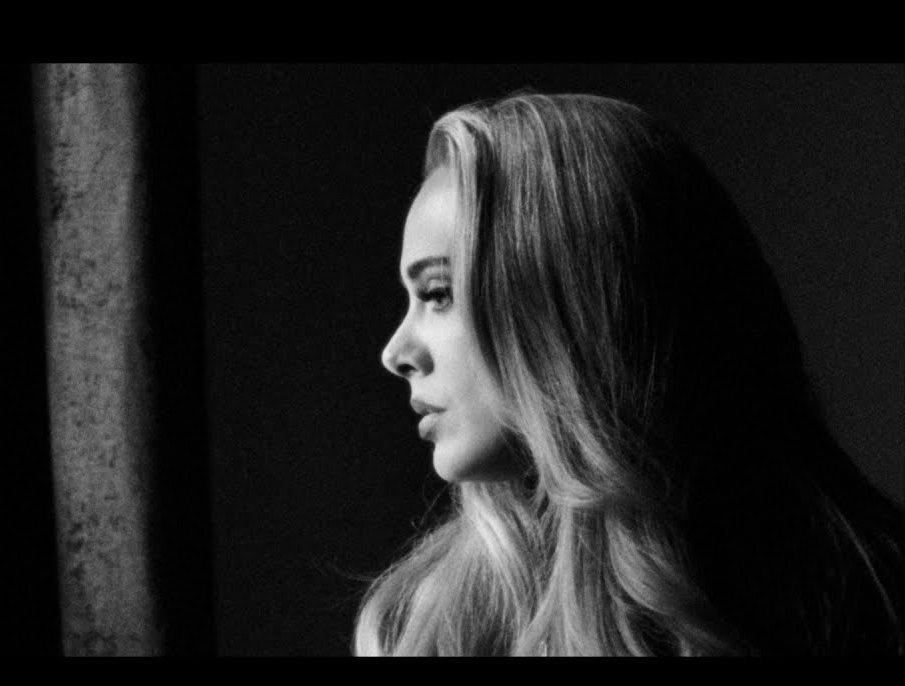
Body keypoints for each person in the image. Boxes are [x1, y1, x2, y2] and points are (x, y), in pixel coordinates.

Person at [358, 91, 904, 656]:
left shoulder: (856, 601)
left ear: (563, 307)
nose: (396, 352)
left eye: (438, 294)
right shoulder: (427, 626)